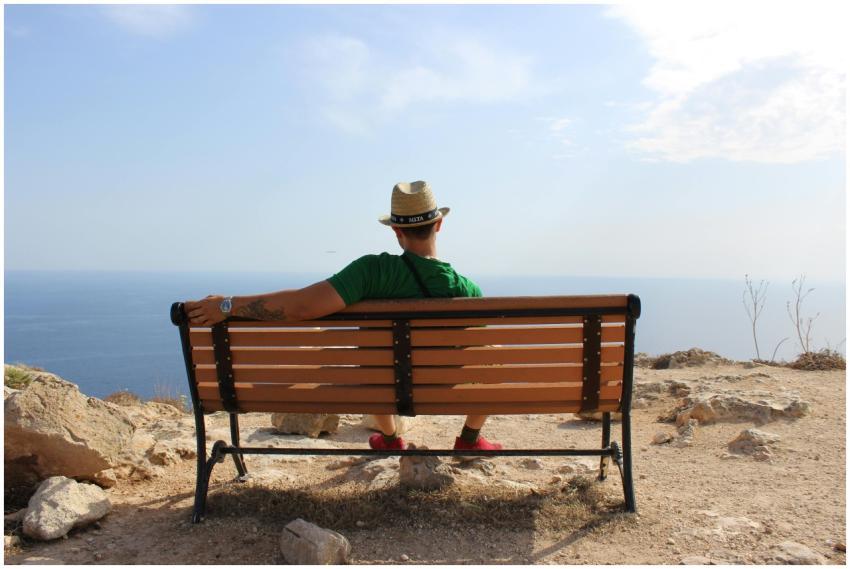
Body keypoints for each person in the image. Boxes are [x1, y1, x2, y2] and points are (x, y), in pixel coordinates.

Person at [184, 180, 503, 452]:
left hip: (384, 385)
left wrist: (228, 305)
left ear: (396, 231)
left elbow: (300, 306)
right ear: (438, 225)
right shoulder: (468, 289)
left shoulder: (372, 271)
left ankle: (391, 439)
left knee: (377, 360)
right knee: (492, 355)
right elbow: (480, 356)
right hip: (443, 388)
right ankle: (470, 440)